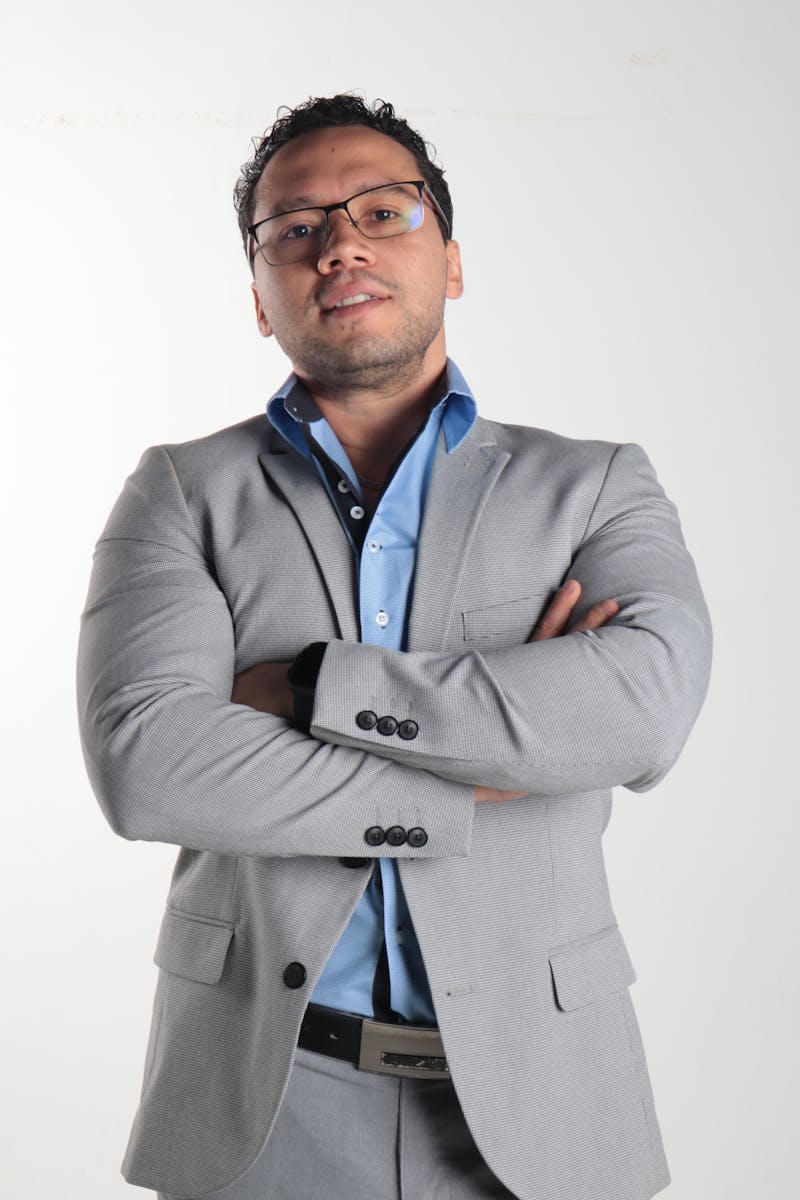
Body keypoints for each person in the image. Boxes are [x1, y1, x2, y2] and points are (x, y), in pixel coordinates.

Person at [76, 94, 712, 1200]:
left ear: (451, 261)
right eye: (296, 228)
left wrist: (311, 686)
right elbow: (149, 767)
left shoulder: (593, 485)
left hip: (545, 1094)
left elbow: (641, 710)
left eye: (383, 210)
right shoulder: (181, 493)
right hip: (264, 1100)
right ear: (259, 298)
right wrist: (480, 776)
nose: (341, 245)